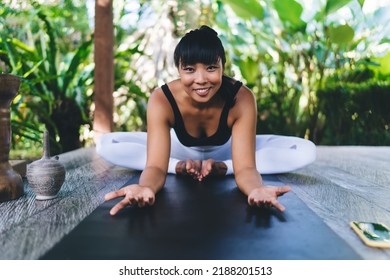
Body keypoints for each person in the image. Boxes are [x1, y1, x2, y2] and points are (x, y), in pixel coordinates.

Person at [97, 25, 316, 216]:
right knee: (106, 145)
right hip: (179, 150)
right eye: (189, 69)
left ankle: (223, 168)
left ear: (223, 66)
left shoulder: (242, 98)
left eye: (211, 68)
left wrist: (255, 189)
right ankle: (177, 167)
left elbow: (247, 167)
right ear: (179, 69)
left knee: (306, 151)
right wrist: (145, 187)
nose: (201, 80)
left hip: (230, 150)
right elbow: (155, 166)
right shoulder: (162, 99)